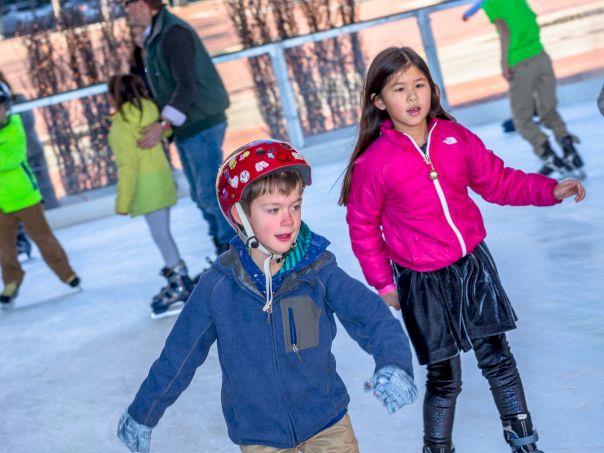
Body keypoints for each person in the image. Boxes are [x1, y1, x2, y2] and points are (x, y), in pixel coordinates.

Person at [339, 47, 586, 453]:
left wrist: (549, 190)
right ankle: (437, 449)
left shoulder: (455, 138)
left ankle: (523, 440)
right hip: (420, 279)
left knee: (498, 358)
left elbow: (499, 181)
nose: (413, 96)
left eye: (419, 85)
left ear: (433, 89)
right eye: (399, 89)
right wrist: (383, 283)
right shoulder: (375, 163)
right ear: (380, 101)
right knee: (444, 376)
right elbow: (363, 228)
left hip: (473, 267)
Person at [117, 139, 418, 452]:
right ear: (240, 215)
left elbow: (371, 316)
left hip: (327, 422)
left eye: (295, 206)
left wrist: (394, 363)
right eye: (273, 209)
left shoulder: (317, 268)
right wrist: (143, 413)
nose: (288, 219)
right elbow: (179, 355)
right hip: (259, 437)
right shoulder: (218, 288)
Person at [125, 0, 234, 257]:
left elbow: (187, 85)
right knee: (200, 196)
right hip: (189, 127)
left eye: (126, 6)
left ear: (142, 5)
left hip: (201, 123)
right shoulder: (155, 37)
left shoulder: (173, 33)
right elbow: (156, 84)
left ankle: (235, 254)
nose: (126, 14)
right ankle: (225, 252)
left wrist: (163, 125)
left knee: (210, 194)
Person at [107, 74, 193, 319]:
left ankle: (178, 281)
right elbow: (165, 135)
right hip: (163, 182)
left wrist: (123, 202)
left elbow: (128, 167)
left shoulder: (121, 126)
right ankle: (178, 277)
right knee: (163, 232)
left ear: (114, 97)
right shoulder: (152, 110)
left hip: (146, 189)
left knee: (160, 235)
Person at [474, 0, 585, 177]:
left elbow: (504, 31)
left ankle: (550, 158)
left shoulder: (490, 4)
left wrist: (504, 63)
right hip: (541, 56)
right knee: (548, 112)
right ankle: (571, 153)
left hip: (519, 61)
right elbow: (531, 19)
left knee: (521, 119)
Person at [0, 82, 80, 307]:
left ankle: (66, 273)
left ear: (6, 106)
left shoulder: (14, 126)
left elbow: (11, 159)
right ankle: (11, 281)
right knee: (5, 247)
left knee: (43, 238)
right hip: (2, 203)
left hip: (25, 196)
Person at [0, 71, 58, 208]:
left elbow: (25, 124)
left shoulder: (17, 102)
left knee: (43, 193)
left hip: (30, 155)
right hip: (13, 162)